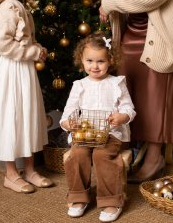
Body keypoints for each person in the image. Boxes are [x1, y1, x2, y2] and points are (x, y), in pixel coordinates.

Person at [58, 0, 173, 183]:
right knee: (126, 95)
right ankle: (129, 153)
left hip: (158, 35)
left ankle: (155, 158)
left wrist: (108, 4)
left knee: (156, 97)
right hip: (130, 33)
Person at [0, 0, 53, 193]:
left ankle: (29, 170)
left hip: (22, 69)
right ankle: (11, 174)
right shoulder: (9, 7)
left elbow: (24, 40)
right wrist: (32, 52)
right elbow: (2, 44)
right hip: (11, 70)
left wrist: (37, 49)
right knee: (11, 115)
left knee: (27, 114)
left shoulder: (17, 6)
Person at [60, 33, 136, 222]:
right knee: (77, 154)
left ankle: (111, 200)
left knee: (101, 155)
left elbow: (129, 108)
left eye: (100, 61)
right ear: (81, 60)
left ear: (110, 60)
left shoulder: (117, 83)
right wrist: (67, 123)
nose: (95, 66)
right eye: (90, 61)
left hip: (111, 134)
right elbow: (69, 110)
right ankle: (78, 197)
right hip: (85, 134)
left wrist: (122, 116)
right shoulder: (79, 85)